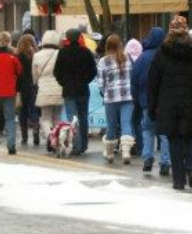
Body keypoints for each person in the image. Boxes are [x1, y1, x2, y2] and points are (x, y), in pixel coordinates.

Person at [148, 16, 192, 191]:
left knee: (174, 140)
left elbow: (153, 82)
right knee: (191, 136)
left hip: (168, 104)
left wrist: (152, 106)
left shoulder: (161, 52)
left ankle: (178, 180)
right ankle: (191, 167)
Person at [132, 26, 170, 174]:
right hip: (164, 100)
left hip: (146, 100)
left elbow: (134, 79)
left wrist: (136, 98)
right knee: (165, 133)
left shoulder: (142, 57)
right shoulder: (166, 55)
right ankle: (165, 161)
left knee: (148, 130)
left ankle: (147, 158)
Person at [54, 28, 97, 156]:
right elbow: (93, 71)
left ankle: (76, 145)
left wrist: (64, 83)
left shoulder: (62, 53)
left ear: (67, 38)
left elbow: (57, 72)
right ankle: (83, 144)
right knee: (83, 118)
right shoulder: (86, 52)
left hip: (68, 90)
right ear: (79, 38)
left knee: (72, 119)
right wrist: (86, 81)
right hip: (83, 89)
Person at [97, 33, 135, 164]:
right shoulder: (128, 57)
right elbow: (133, 76)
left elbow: (101, 83)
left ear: (107, 46)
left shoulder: (103, 61)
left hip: (111, 98)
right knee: (126, 124)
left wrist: (105, 93)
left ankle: (109, 153)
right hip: (128, 97)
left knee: (111, 126)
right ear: (120, 44)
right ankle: (125, 151)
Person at [31, 30, 63, 145]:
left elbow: (34, 76)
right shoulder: (60, 54)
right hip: (59, 88)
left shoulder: (37, 55)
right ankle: (57, 139)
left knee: (45, 118)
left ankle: (50, 136)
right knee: (57, 116)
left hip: (43, 89)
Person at [15, 33, 39, 147]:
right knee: (33, 110)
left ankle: (24, 137)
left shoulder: (17, 56)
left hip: (20, 87)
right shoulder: (36, 55)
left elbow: (16, 73)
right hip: (33, 86)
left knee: (22, 112)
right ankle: (35, 132)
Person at [124, 37, 143, 156]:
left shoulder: (125, 61)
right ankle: (140, 145)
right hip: (140, 96)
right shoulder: (142, 60)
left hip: (129, 95)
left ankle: (131, 145)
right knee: (138, 122)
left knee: (129, 122)